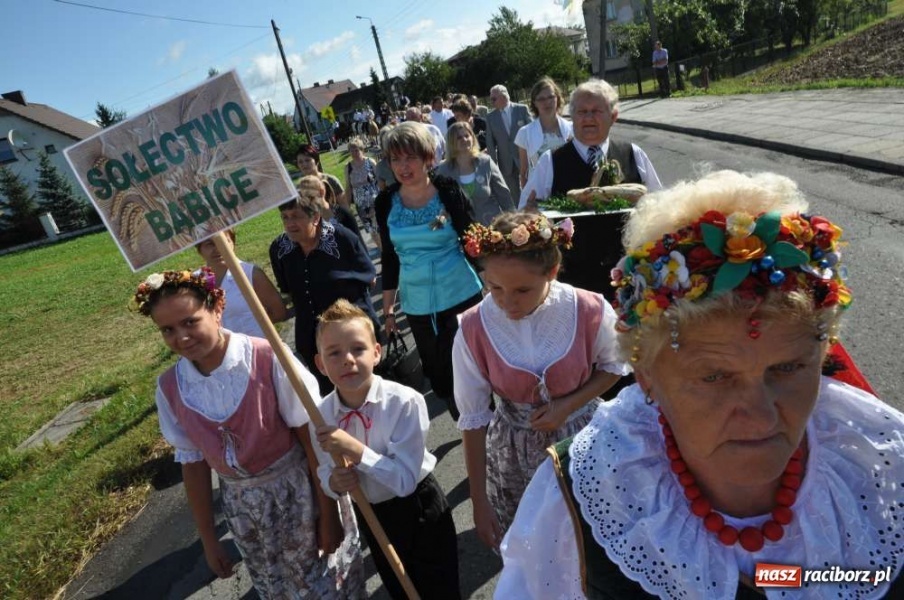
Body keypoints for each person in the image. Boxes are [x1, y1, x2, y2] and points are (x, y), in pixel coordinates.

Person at [497, 170, 904, 598]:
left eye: (787, 369)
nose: (761, 414)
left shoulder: (879, 469)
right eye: (714, 376)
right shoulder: (590, 495)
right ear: (647, 377)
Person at [133, 267, 363, 598]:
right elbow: (194, 464)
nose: (181, 337)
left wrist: (328, 514)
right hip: (247, 514)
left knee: (327, 586)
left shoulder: (266, 357)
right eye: (167, 330)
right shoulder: (172, 387)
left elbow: (313, 440)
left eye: (190, 321)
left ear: (216, 308)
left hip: (302, 497)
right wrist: (210, 541)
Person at [453, 212, 629, 551]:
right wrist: (479, 500)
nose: (506, 301)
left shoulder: (587, 308)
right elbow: (473, 420)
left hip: (583, 440)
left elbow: (614, 364)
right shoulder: (474, 327)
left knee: (592, 543)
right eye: (494, 287)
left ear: (551, 272)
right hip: (513, 456)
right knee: (537, 549)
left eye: (522, 289)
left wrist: (568, 404)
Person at [311, 299, 461, 600]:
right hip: (374, 514)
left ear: (377, 352)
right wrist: (333, 483)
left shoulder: (404, 402)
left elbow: (405, 481)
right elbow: (324, 469)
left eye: (358, 349)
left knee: (438, 589)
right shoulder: (320, 415)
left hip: (420, 509)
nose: (348, 360)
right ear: (320, 364)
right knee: (400, 589)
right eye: (334, 353)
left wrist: (356, 450)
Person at [375, 121, 483, 420]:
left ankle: (491, 437)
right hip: (418, 305)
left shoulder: (448, 190)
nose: (403, 166)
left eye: (410, 157)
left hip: (462, 294)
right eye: (395, 158)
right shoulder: (385, 202)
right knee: (442, 380)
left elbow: (472, 241)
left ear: (428, 158)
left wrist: (494, 285)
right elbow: (389, 256)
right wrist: (388, 312)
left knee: (476, 373)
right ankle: (468, 430)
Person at [520, 78, 663, 299]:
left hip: (631, 274)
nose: (588, 118)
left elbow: (661, 207)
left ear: (613, 116)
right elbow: (524, 213)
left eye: (597, 111)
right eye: (581, 111)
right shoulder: (551, 161)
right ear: (571, 116)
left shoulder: (633, 154)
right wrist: (532, 217)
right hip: (575, 280)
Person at [269, 177, 379, 394]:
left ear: (316, 217)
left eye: (297, 217)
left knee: (365, 395)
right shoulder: (280, 249)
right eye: (285, 217)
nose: (290, 224)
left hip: (350, 336)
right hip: (312, 341)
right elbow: (288, 289)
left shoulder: (341, 239)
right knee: (330, 400)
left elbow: (370, 277)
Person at [195, 229, 287, 338]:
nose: (218, 248)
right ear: (200, 250)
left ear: (233, 243)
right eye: (210, 244)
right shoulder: (194, 281)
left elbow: (278, 312)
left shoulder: (251, 274)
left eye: (224, 241)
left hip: (255, 348)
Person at [436, 121, 513, 225]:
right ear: (451, 142)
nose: (464, 140)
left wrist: (513, 221)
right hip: (460, 229)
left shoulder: (486, 162)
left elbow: (504, 196)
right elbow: (439, 202)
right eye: (459, 137)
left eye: (467, 136)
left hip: (491, 227)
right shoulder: (443, 169)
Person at [514, 77, 573, 190]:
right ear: (534, 103)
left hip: (570, 190)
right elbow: (523, 172)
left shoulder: (572, 129)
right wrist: (527, 202)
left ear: (558, 98)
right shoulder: (525, 133)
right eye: (541, 99)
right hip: (539, 192)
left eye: (551, 97)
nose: (547, 102)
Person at [296, 145, 359, 235]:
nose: (304, 164)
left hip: (339, 227)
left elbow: (344, 206)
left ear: (316, 161)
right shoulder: (299, 188)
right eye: (300, 162)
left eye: (307, 160)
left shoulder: (330, 180)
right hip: (316, 232)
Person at [486, 84, 532, 201]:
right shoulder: (490, 117)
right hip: (505, 162)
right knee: (514, 194)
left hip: (525, 159)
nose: (491, 102)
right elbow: (490, 143)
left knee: (530, 189)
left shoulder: (522, 109)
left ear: (504, 97)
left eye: (493, 99)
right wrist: (493, 165)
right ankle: (518, 216)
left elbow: (532, 132)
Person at [344, 138, 381, 253]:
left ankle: (389, 251)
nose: (354, 153)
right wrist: (347, 206)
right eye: (351, 151)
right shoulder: (348, 167)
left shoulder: (370, 162)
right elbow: (348, 187)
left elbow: (380, 181)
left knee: (381, 228)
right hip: (361, 205)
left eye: (356, 150)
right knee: (372, 231)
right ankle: (383, 252)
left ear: (362, 149)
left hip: (375, 201)